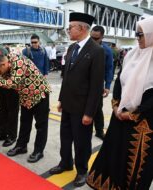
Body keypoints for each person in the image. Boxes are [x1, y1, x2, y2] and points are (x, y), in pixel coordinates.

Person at [87, 16, 153, 190]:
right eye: (136, 34)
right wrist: (116, 105)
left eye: (141, 35)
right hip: (120, 116)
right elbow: (119, 81)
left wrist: (132, 114)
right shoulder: (132, 56)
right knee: (114, 154)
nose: (137, 38)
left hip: (143, 123)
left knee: (134, 162)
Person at [49, 12, 105, 187]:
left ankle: (82, 170)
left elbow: (96, 86)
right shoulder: (72, 48)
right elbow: (66, 77)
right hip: (67, 104)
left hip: (82, 108)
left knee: (81, 142)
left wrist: (89, 113)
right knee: (65, 137)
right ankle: (65, 163)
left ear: (81, 28)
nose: (68, 30)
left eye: (70, 27)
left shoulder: (97, 51)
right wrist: (60, 99)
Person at [0, 53, 50, 163]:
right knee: (25, 123)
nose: (0, 74)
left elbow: (13, 83)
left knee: (41, 125)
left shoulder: (18, 62)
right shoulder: (6, 64)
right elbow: (3, 79)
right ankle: (21, 146)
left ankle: (39, 151)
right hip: (25, 95)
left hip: (39, 93)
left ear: (3, 64)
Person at [91, 25, 113, 140]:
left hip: (98, 86)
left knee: (97, 110)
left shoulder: (107, 51)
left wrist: (107, 86)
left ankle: (99, 131)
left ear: (102, 37)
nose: (93, 41)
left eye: (96, 39)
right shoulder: (85, 47)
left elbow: (109, 69)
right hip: (83, 85)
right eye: (91, 38)